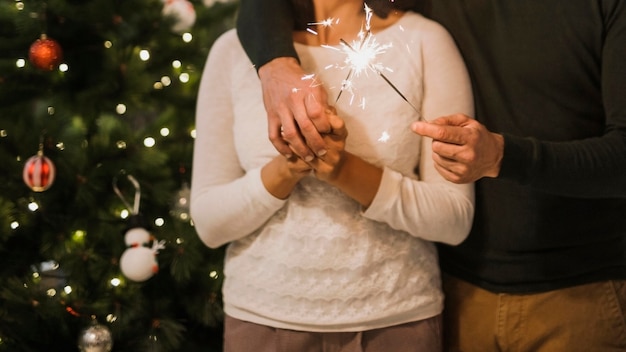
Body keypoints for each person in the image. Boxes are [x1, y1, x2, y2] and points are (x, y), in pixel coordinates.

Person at [236, 0, 626, 351]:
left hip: (582, 291)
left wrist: (504, 156)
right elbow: (261, 7)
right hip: (457, 291)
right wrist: (276, 66)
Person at [191, 0, 475, 350]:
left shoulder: (423, 41)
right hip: (265, 322)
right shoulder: (233, 50)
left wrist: (343, 170)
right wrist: (288, 167)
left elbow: (454, 219)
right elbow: (208, 222)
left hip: (395, 321)